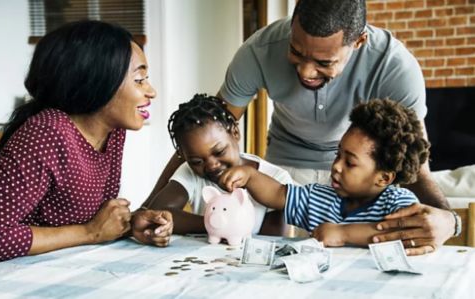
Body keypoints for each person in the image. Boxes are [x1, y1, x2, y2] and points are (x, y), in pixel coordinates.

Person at [148, 0, 459, 255]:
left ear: (359, 41)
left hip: (358, 169)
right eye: (296, 53)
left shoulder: (394, 66)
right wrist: (148, 207)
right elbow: (207, 131)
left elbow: (416, 165)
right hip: (285, 167)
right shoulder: (259, 51)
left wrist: (450, 220)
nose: (307, 71)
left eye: (324, 62)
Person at [0, 21, 173, 269]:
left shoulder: (113, 133)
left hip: (59, 269)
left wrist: (129, 223)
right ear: (98, 80)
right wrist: (90, 232)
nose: (151, 91)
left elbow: (86, 221)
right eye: (139, 79)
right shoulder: (46, 133)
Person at [220, 99, 429, 253]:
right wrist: (249, 176)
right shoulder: (319, 197)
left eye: (350, 163)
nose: (336, 166)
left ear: (384, 178)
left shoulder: (398, 204)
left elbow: (410, 233)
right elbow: (277, 193)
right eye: (338, 154)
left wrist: (343, 233)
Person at [143, 94, 293, 236]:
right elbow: (157, 212)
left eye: (219, 152)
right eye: (197, 161)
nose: (212, 165)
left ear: (235, 133)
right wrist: (213, 223)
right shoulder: (191, 172)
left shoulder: (277, 178)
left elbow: (273, 240)